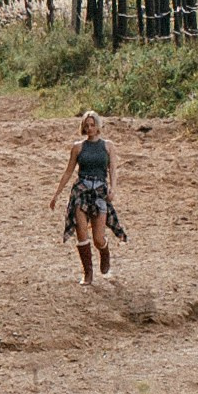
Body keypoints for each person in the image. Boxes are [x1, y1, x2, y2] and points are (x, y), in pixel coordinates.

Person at [50, 109, 126, 282]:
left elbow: (112, 170)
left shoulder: (108, 146)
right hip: (81, 191)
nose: (90, 128)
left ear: (98, 126)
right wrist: (56, 194)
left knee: (98, 238)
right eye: (86, 125)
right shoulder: (78, 147)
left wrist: (113, 189)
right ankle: (88, 273)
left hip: (99, 191)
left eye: (92, 125)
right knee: (81, 234)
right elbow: (68, 171)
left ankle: (104, 252)